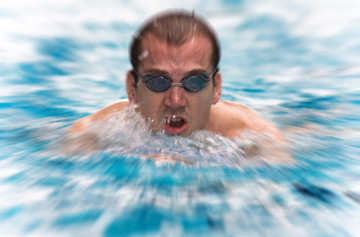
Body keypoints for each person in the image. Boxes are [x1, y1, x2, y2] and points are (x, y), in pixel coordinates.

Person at [69, 10, 286, 156]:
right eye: (158, 81)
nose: (175, 100)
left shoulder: (253, 139)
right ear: (132, 89)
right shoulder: (96, 133)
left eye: (194, 82)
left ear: (216, 88)